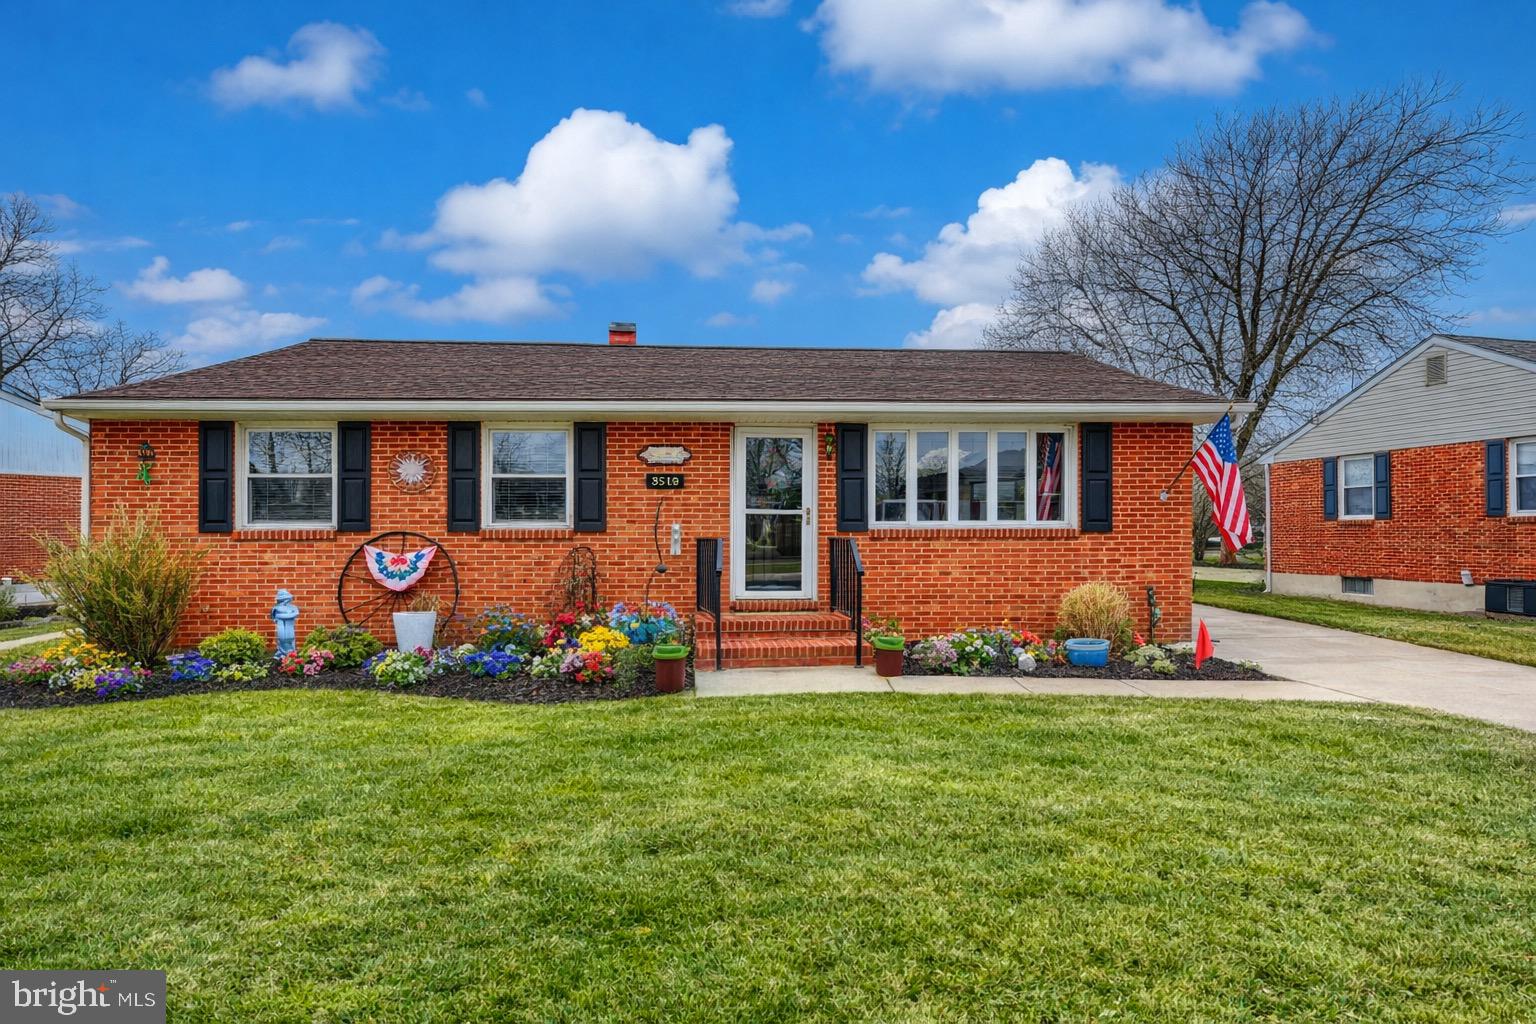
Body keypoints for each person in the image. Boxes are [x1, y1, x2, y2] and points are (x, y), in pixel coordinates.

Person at [271, 589, 300, 656]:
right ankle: (282, 653)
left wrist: (282, 616)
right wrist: (285, 616)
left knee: (290, 638)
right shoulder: (276, 608)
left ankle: (291, 653)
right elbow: (274, 616)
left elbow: (295, 613)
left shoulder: (293, 607)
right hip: (280, 624)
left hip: (289, 624)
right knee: (282, 638)